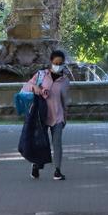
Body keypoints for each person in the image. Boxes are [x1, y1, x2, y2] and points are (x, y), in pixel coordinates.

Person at [26, 50, 72, 181]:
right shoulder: (41, 75)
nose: (58, 65)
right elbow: (28, 85)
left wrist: (65, 117)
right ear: (51, 62)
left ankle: (57, 170)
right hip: (41, 115)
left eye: (61, 63)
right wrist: (37, 88)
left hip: (57, 116)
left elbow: (65, 100)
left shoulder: (65, 81)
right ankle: (36, 165)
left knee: (57, 143)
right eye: (55, 63)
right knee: (40, 143)